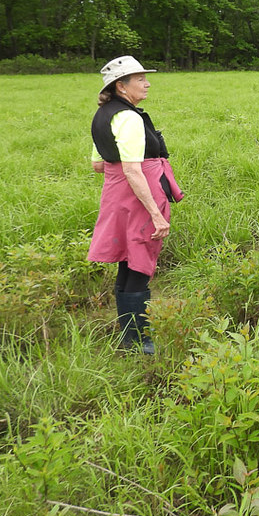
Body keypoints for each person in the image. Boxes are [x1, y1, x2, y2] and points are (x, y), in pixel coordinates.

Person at [87, 56, 183, 355]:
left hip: (117, 196)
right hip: (138, 198)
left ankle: (129, 336)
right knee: (140, 262)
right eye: (140, 79)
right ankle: (139, 341)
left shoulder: (104, 115)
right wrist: (156, 214)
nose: (147, 83)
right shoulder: (129, 118)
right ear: (121, 85)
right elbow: (131, 169)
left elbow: (97, 164)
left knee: (128, 262)